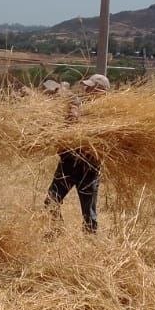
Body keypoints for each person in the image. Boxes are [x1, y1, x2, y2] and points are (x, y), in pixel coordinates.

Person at [45, 73, 109, 232]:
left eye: (90, 87)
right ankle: (56, 231)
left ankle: (90, 243)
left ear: (101, 91)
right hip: (68, 161)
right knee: (51, 201)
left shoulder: (107, 114)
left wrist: (74, 114)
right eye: (86, 86)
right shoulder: (80, 104)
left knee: (89, 213)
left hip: (88, 166)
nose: (86, 89)